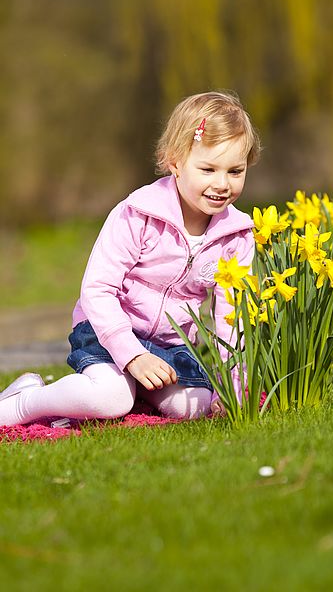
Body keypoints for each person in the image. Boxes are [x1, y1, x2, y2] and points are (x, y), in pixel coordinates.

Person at [0, 90, 261, 426]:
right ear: (175, 162)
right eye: (208, 169)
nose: (222, 184)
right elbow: (97, 289)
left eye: (235, 171)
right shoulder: (138, 215)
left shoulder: (236, 235)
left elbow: (233, 318)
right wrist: (132, 354)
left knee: (194, 406)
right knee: (111, 398)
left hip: (169, 344)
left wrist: (234, 391)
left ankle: (126, 389)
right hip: (108, 331)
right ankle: (25, 402)